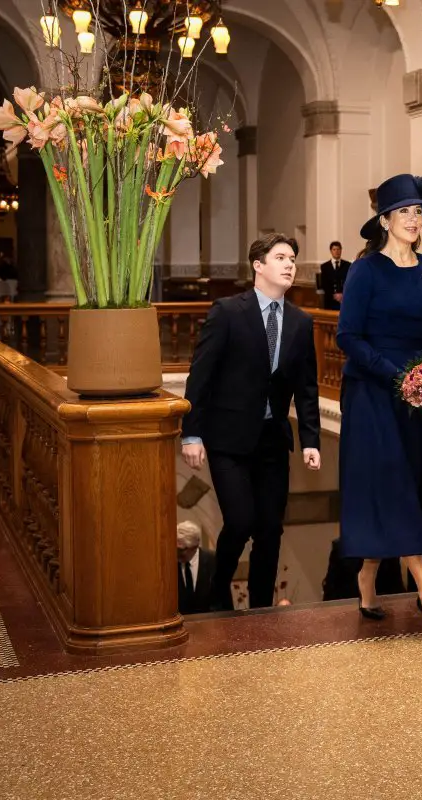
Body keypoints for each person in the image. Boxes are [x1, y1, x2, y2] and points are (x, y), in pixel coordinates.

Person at [336, 173, 422, 630]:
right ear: (384, 220)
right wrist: (397, 377)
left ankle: (367, 576)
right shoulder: (365, 270)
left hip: (419, 395)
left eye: (418, 211)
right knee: (394, 483)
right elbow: (349, 336)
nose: (413, 218)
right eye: (403, 211)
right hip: (372, 391)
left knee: (410, 482)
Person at [181, 233, 322, 610]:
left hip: (273, 440)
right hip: (228, 440)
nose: (290, 264)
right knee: (241, 522)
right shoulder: (227, 311)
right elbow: (201, 376)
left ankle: (261, 608)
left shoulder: (300, 322)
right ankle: (217, 590)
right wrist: (191, 433)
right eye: (281, 257)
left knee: (271, 531)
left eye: (292, 258)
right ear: (258, 265)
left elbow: (307, 388)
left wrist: (311, 440)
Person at [176, 520, 216, 614]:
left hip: (210, 624)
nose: (176, 553)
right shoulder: (168, 564)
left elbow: (222, 603)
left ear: (195, 546)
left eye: (181, 550)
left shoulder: (214, 561)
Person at [318, 241, 352, 311]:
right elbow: (324, 284)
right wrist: (334, 295)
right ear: (331, 251)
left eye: (338, 249)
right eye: (334, 249)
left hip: (344, 299)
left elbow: (349, 283)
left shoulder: (348, 265)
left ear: (341, 250)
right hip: (329, 300)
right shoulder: (324, 266)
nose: (336, 251)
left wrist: (342, 294)